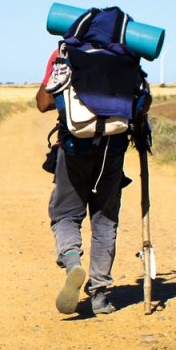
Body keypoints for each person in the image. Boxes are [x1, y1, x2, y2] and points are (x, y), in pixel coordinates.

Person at [36, 48, 131, 315]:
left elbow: (43, 103)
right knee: (105, 220)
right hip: (112, 148)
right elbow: (140, 104)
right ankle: (99, 296)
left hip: (74, 146)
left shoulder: (62, 53)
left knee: (65, 215)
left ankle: (72, 261)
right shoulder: (124, 54)